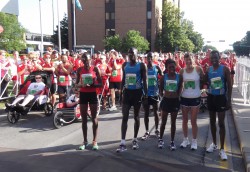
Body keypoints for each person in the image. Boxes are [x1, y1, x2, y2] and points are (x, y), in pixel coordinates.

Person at [116, 47, 147, 152]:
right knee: (124, 116)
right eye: (129, 54)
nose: (131, 55)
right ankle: (122, 142)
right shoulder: (125, 65)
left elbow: (145, 81)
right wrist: (120, 94)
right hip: (127, 93)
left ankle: (134, 139)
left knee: (136, 117)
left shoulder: (142, 65)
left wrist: (146, 95)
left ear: (137, 54)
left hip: (137, 93)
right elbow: (123, 79)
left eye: (133, 54)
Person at [204, 50, 232, 161]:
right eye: (212, 58)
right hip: (211, 97)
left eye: (216, 57)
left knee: (221, 123)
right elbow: (205, 81)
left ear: (219, 57)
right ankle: (214, 144)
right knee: (211, 121)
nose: (214, 59)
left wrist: (229, 101)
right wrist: (205, 72)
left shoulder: (225, 69)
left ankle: (222, 149)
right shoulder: (209, 69)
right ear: (210, 59)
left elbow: (229, 85)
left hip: (221, 98)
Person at [76, 53, 102, 150]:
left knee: (94, 118)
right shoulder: (79, 70)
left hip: (92, 94)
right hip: (83, 94)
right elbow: (76, 84)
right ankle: (85, 141)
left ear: (90, 59)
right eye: (83, 60)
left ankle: (95, 141)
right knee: (84, 119)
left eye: (86, 59)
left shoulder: (95, 69)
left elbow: (100, 83)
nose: (85, 62)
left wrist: (93, 85)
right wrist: (81, 85)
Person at [179, 53, 204, 150]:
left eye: (190, 59)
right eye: (186, 60)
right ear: (184, 61)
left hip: (195, 97)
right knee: (185, 120)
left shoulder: (198, 69)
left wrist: (205, 90)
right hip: (185, 97)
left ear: (193, 59)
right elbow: (180, 84)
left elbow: (204, 79)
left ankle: (194, 141)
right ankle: (185, 139)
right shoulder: (182, 71)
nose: (188, 61)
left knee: (193, 121)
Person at [158, 59, 182, 150]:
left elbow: (180, 87)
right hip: (166, 101)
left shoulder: (179, 77)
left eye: (173, 66)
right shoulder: (164, 77)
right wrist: (162, 96)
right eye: (170, 67)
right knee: (163, 122)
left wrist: (178, 95)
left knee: (173, 122)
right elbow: (160, 89)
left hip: (175, 101)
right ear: (167, 67)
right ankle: (160, 139)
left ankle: (172, 141)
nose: (172, 68)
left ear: (175, 67)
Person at [141, 52, 162, 140]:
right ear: (146, 58)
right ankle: (147, 131)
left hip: (155, 93)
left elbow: (162, 77)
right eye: (148, 57)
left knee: (156, 112)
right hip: (146, 94)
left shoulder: (157, 67)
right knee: (146, 113)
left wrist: (161, 89)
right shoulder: (143, 67)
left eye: (151, 57)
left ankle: (157, 129)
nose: (149, 58)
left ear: (153, 58)